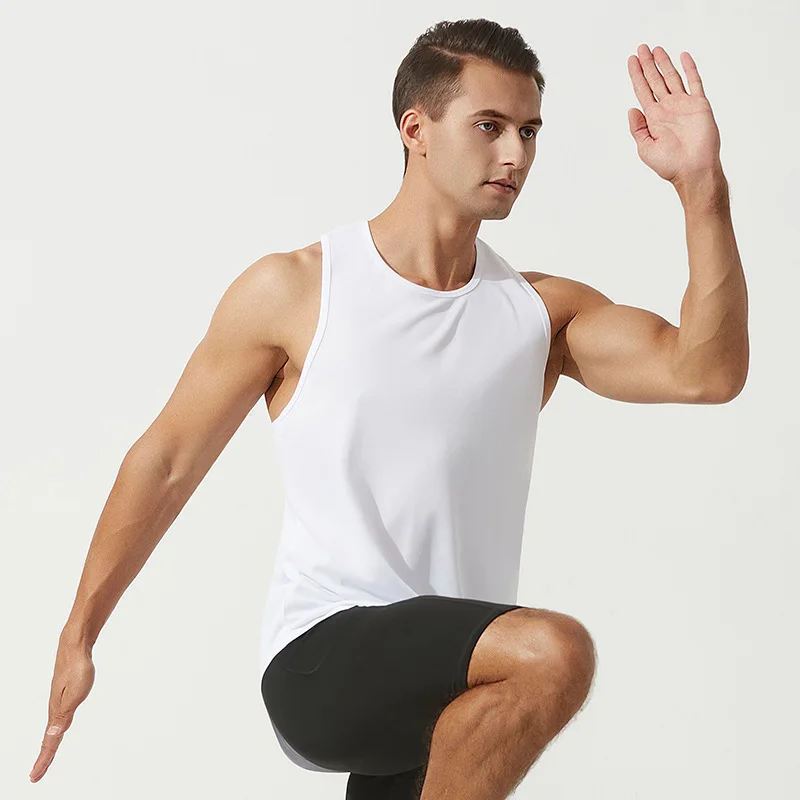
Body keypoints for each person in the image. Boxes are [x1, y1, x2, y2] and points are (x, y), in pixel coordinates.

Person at [30, 17, 748, 800]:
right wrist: (79, 633)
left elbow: (706, 372)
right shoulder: (299, 290)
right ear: (416, 130)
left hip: (459, 681)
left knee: (511, 687)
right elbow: (167, 461)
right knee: (556, 650)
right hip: (320, 655)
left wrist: (701, 188)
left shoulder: (538, 314)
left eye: (530, 131)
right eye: (490, 126)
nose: (515, 154)